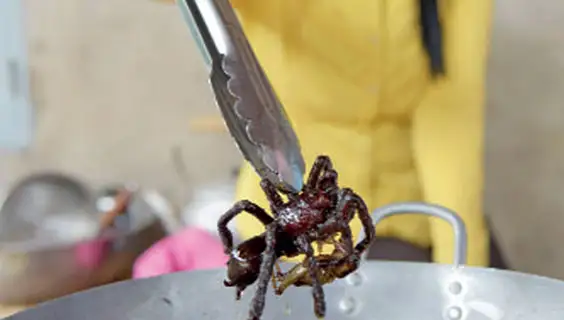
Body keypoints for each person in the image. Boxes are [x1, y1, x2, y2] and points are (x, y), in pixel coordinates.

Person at [135, 0, 508, 278]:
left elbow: (451, 118)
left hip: (412, 206)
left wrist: (462, 268)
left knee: (495, 304)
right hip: (289, 202)